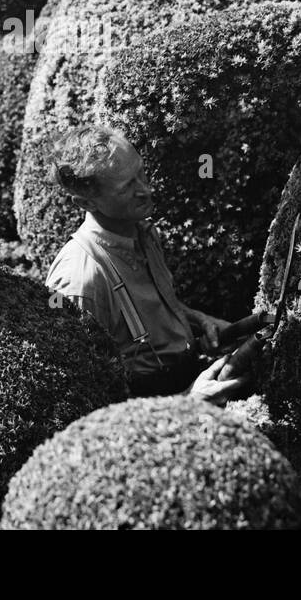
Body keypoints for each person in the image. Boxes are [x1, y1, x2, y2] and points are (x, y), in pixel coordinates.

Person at [45, 124, 247, 404]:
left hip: (189, 377)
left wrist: (198, 320)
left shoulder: (143, 231)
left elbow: (149, 310)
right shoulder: (79, 281)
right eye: (127, 187)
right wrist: (185, 404)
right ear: (85, 203)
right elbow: (80, 401)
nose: (146, 190)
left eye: (141, 173)